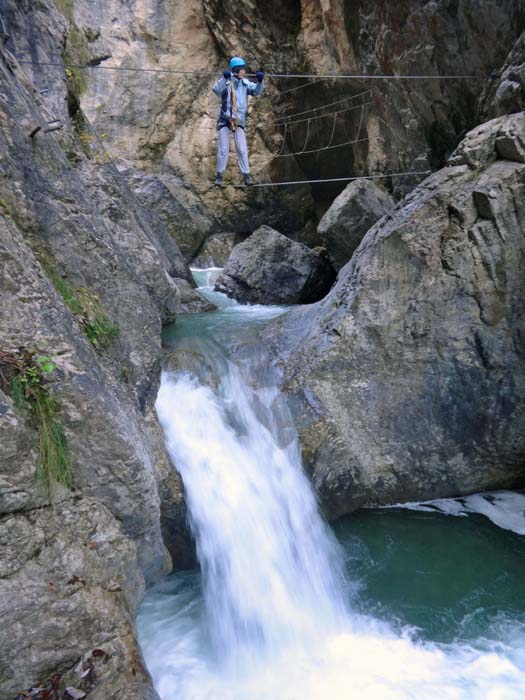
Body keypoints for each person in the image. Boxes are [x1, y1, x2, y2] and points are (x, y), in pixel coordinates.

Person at [212, 56, 264, 187]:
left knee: (242, 149)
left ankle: (246, 176)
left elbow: (257, 91)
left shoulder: (245, 84)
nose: (244, 72)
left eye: (244, 69)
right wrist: (224, 78)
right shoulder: (227, 82)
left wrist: (260, 80)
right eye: (241, 69)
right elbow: (216, 90)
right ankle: (219, 176)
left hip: (239, 122)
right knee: (224, 148)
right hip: (225, 120)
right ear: (235, 69)